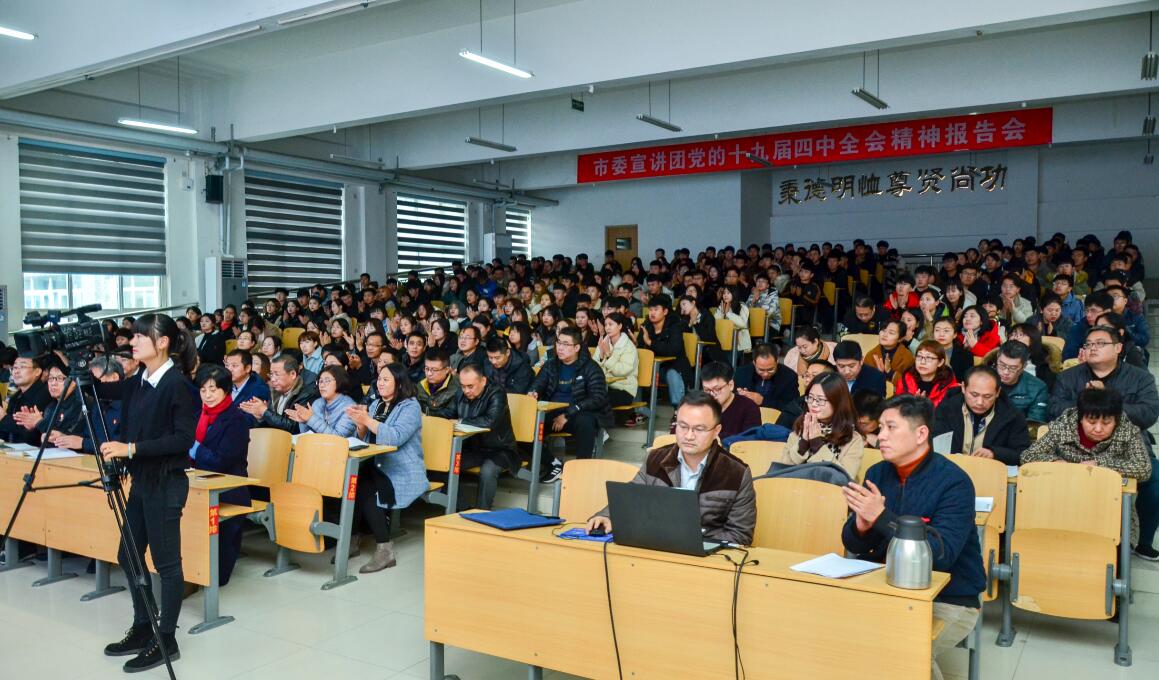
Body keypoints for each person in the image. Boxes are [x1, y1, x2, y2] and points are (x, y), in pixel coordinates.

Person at [841, 395, 985, 680]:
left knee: (901, 649)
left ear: (921, 434)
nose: (880, 436)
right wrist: (862, 525)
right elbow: (854, 545)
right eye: (880, 428)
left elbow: (940, 555)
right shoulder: (877, 472)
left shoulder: (954, 482)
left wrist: (880, 517)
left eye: (891, 428)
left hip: (949, 597)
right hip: (885, 586)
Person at [99, 314, 198, 672]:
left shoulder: (179, 385)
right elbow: (106, 393)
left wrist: (131, 449)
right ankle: (144, 626)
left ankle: (166, 638)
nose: (134, 341)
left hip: (167, 482)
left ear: (163, 342)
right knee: (128, 554)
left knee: (167, 563)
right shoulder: (138, 380)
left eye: (142, 336)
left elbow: (183, 439)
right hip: (142, 481)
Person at [586, 391, 756, 545]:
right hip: (658, 549)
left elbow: (741, 535)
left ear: (716, 430)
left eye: (699, 429)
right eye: (683, 426)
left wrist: (694, 539)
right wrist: (606, 516)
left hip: (706, 560)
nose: (689, 436)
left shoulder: (737, 473)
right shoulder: (655, 459)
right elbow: (632, 498)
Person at [1049, 324, 1159, 559]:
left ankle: (1143, 542)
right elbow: (1055, 409)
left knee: (1154, 481)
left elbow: (1149, 413)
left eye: (1100, 343)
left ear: (1118, 347)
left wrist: (1107, 400)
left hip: (1128, 446)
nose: (1092, 348)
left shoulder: (1140, 378)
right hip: (1076, 448)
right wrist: (1088, 405)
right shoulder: (1069, 376)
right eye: (1088, 344)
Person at [1023, 387, 1152, 545]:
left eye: (1106, 423)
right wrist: (1055, 462)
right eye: (1091, 422)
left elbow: (1144, 468)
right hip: (1064, 499)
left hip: (1107, 503)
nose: (1098, 429)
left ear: (1116, 420)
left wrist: (1101, 464)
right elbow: (1028, 456)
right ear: (1080, 418)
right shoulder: (1064, 425)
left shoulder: (1128, 431)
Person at [345, 363, 428, 572]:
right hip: (376, 463)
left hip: (401, 468)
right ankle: (354, 537)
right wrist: (361, 426)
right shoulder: (376, 405)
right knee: (353, 484)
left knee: (369, 493)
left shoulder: (410, 406)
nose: (379, 384)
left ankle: (385, 549)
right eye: (379, 379)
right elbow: (365, 439)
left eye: (385, 380)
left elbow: (395, 438)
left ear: (399, 383)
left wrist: (368, 421)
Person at [189, 365, 250, 586]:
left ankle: (211, 576)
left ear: (226, 390)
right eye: (203, 390)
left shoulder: (237, 420)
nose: (208, 395)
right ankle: (190, 573)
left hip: (229, 489)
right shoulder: (198, 415)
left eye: (213, 389)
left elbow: (222, 461)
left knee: (217, 572)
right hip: (197, 483)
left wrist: (194, 449)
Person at [529, 327, 614, 479]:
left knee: (586, 422)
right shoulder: (551, 365)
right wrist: (533, 392)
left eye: (566, 344)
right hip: (553, 411)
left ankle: (582, 469)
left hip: (578, 412)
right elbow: (538, 383)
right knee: (527, 424)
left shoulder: (590, 367)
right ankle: (553, 464)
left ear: (576, 347)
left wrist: (567, 414)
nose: (560, 347)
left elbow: (598, 398)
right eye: (559, 343)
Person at [932, 366, 1030, 465]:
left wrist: (994, 453)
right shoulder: (947, 408)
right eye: (974, 395)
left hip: (990, 473)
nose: (980, 402)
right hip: (951, 469)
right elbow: (934, 442)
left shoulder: (1012, 415)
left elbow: (1023, 454)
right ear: (963, 388)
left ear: (997, 392)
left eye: (987, 396)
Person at [454, 364, 519, 509]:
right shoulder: (460, 394)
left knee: (488, 471)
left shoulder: (497, 393)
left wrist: (461, 421)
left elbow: (490, 421)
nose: (466, 391)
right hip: (474, 448)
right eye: (463, 386)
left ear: (483, 381)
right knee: (448, 462)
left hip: (500, 449)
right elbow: (450, 415)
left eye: (470, 386)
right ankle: (463, 509)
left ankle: (481, 513)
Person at [780, 372, 865, 478]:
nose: (813, 404)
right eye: (810, 398)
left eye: (820, 400)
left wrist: (817, 444)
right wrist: (803, 443)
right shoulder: (802, 427)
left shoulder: (853, 439)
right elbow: (782, 471)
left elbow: (844, 478)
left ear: (837, 402)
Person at [240, 355, 319, 433]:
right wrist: (261, 417)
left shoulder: (306, 394)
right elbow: (272, 424)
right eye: (271, 374)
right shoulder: (274, 391)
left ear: (293, 374)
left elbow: (294, 427)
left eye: (277, 374)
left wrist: (265, 412)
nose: (273, 379)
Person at [639, 294, 690, 407]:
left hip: (675, 366)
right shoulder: (646, 326)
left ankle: (678, 410)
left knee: (672, 374)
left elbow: (673, 350)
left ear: (665, 311)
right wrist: (636, 343)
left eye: (656, 309)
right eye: (650, 309)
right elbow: (642, 351)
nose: (652, 313)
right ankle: (641, 409)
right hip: (655, 368)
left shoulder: (675, 326)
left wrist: (650, 343)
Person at [733, 343, 802, 422]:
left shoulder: (789, 376)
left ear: (777, 361)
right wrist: (740, 396)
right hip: (745, 419)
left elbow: (793, 407)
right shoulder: (742, 373)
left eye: (770, 369)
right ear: (754, 363)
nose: (765, 374)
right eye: (761, 370)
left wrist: (763, 401)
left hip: (777, 421)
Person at [699, 361, 761, 440]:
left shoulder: (749, 407)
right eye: (707, 390)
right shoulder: (700, 406)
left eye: (717, 389)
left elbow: (750, 439)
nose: (712, 394)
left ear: (731, 385)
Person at [1, 354, 53, 445]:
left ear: (37, 371)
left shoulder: (45, 394)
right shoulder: (15, 397)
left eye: (22, 367)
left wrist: (3, 418)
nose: (16, 371)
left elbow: (30, 433)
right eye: (15, 367)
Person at [289, 365, 356, 436]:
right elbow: (309, 435)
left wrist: (311, 419)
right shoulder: (318, 403)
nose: (322, 385)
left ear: (340, 381)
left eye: (327, 381)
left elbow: (339, 438)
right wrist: (305, 422)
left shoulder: (350, 408)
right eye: (320, 381)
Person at [595, 312, 639, 417]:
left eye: (611, 324)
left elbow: (622, 371)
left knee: (598, 400)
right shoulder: (603, 343)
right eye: (605, 325)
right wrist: (601, 356)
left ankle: (601, 430)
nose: (607, 328)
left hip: (624, 389)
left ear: (619, 326)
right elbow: (594, 368)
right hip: (605, 386)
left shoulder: (629, 346)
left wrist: (609, 356)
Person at [994, 341, 1049, 423]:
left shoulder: (1038, 388)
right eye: (1002, 365)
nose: (1005, 372)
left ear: (1024, 366)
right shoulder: (982, 378)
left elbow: (1035, 423)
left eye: (1012, 368)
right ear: (997, 358)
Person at [894, 340, 959, 407]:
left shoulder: (950, 387)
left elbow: (950, 414)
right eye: (919, 357)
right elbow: (897, 408)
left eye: (929, 358)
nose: (922, 362)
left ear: (940, 362)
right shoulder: (905, 380)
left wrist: (924, 407)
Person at [863, 320, 914, 384]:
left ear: (900, 339)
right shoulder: (871, 354)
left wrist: (890, 372)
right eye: (883, 330)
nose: (884, 335)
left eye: (891, 333)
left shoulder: (907, 356)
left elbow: (910, 383)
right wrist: (879, 374)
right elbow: (864, 379)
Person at [713, 285, 751, 355]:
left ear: (734, 294)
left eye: (728, 293)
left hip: (739, 344)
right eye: (724, 293)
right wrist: (722, 313)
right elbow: (716, 323)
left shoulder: (742, 306)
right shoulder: (721, 306)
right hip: (723, 341)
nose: (725, 295)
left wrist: (728, 313)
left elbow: (743, 324)